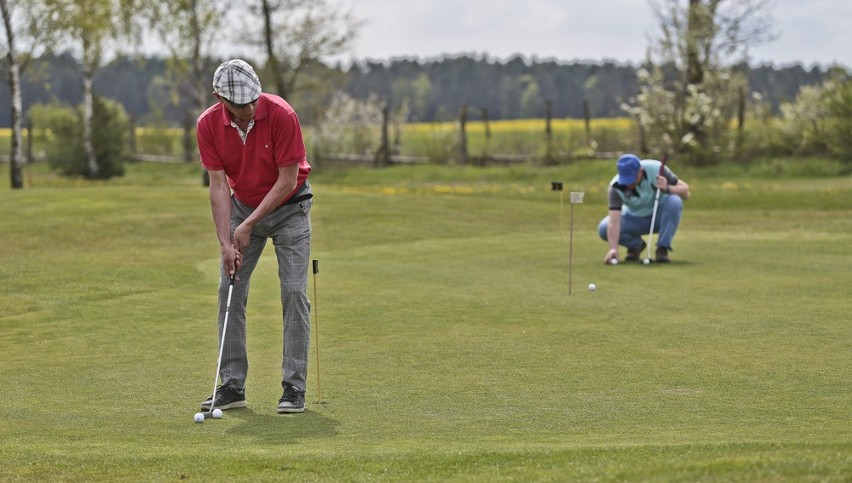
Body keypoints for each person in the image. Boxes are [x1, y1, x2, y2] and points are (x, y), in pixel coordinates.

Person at [196, 59, 313, 414]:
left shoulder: (281, 114)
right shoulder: (208, 125)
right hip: (242, 208)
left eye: (252, 101)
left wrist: (247, 226)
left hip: (290, 208)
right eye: (239, 105)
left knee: (293, 291)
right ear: (220, 98)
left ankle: (293, 387)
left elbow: (288, 179)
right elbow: (218, 187)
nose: (248, 109)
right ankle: (232, 386)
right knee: (229, 290)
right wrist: (225, 241)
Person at [598, 153, 690, 264]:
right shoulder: (615, 187)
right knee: (604, 228)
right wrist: (613, 249)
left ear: (640, 170)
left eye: (633, 178)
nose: (629, 184)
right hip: (634, 219)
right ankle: (636, 245)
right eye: (626, 179)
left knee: (674, 201)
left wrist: (667, 188)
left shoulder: (656, 169)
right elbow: (614, 221)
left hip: (659, 217)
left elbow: (685, 193)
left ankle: (662, 249)